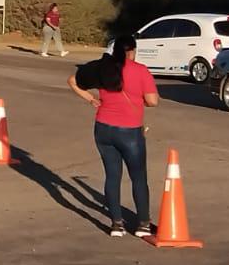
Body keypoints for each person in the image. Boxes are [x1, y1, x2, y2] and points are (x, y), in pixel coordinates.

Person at [68, 34, 160, 238]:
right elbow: (153, 101)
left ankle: (116, 224)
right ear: (132, 51)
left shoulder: (103, 68)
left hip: (103, 129)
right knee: (138, 177)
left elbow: (73, 81)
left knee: (112, 175)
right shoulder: (140, 70)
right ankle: (143, 224)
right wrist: (140, 100)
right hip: (129, 131)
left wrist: (91, 98)